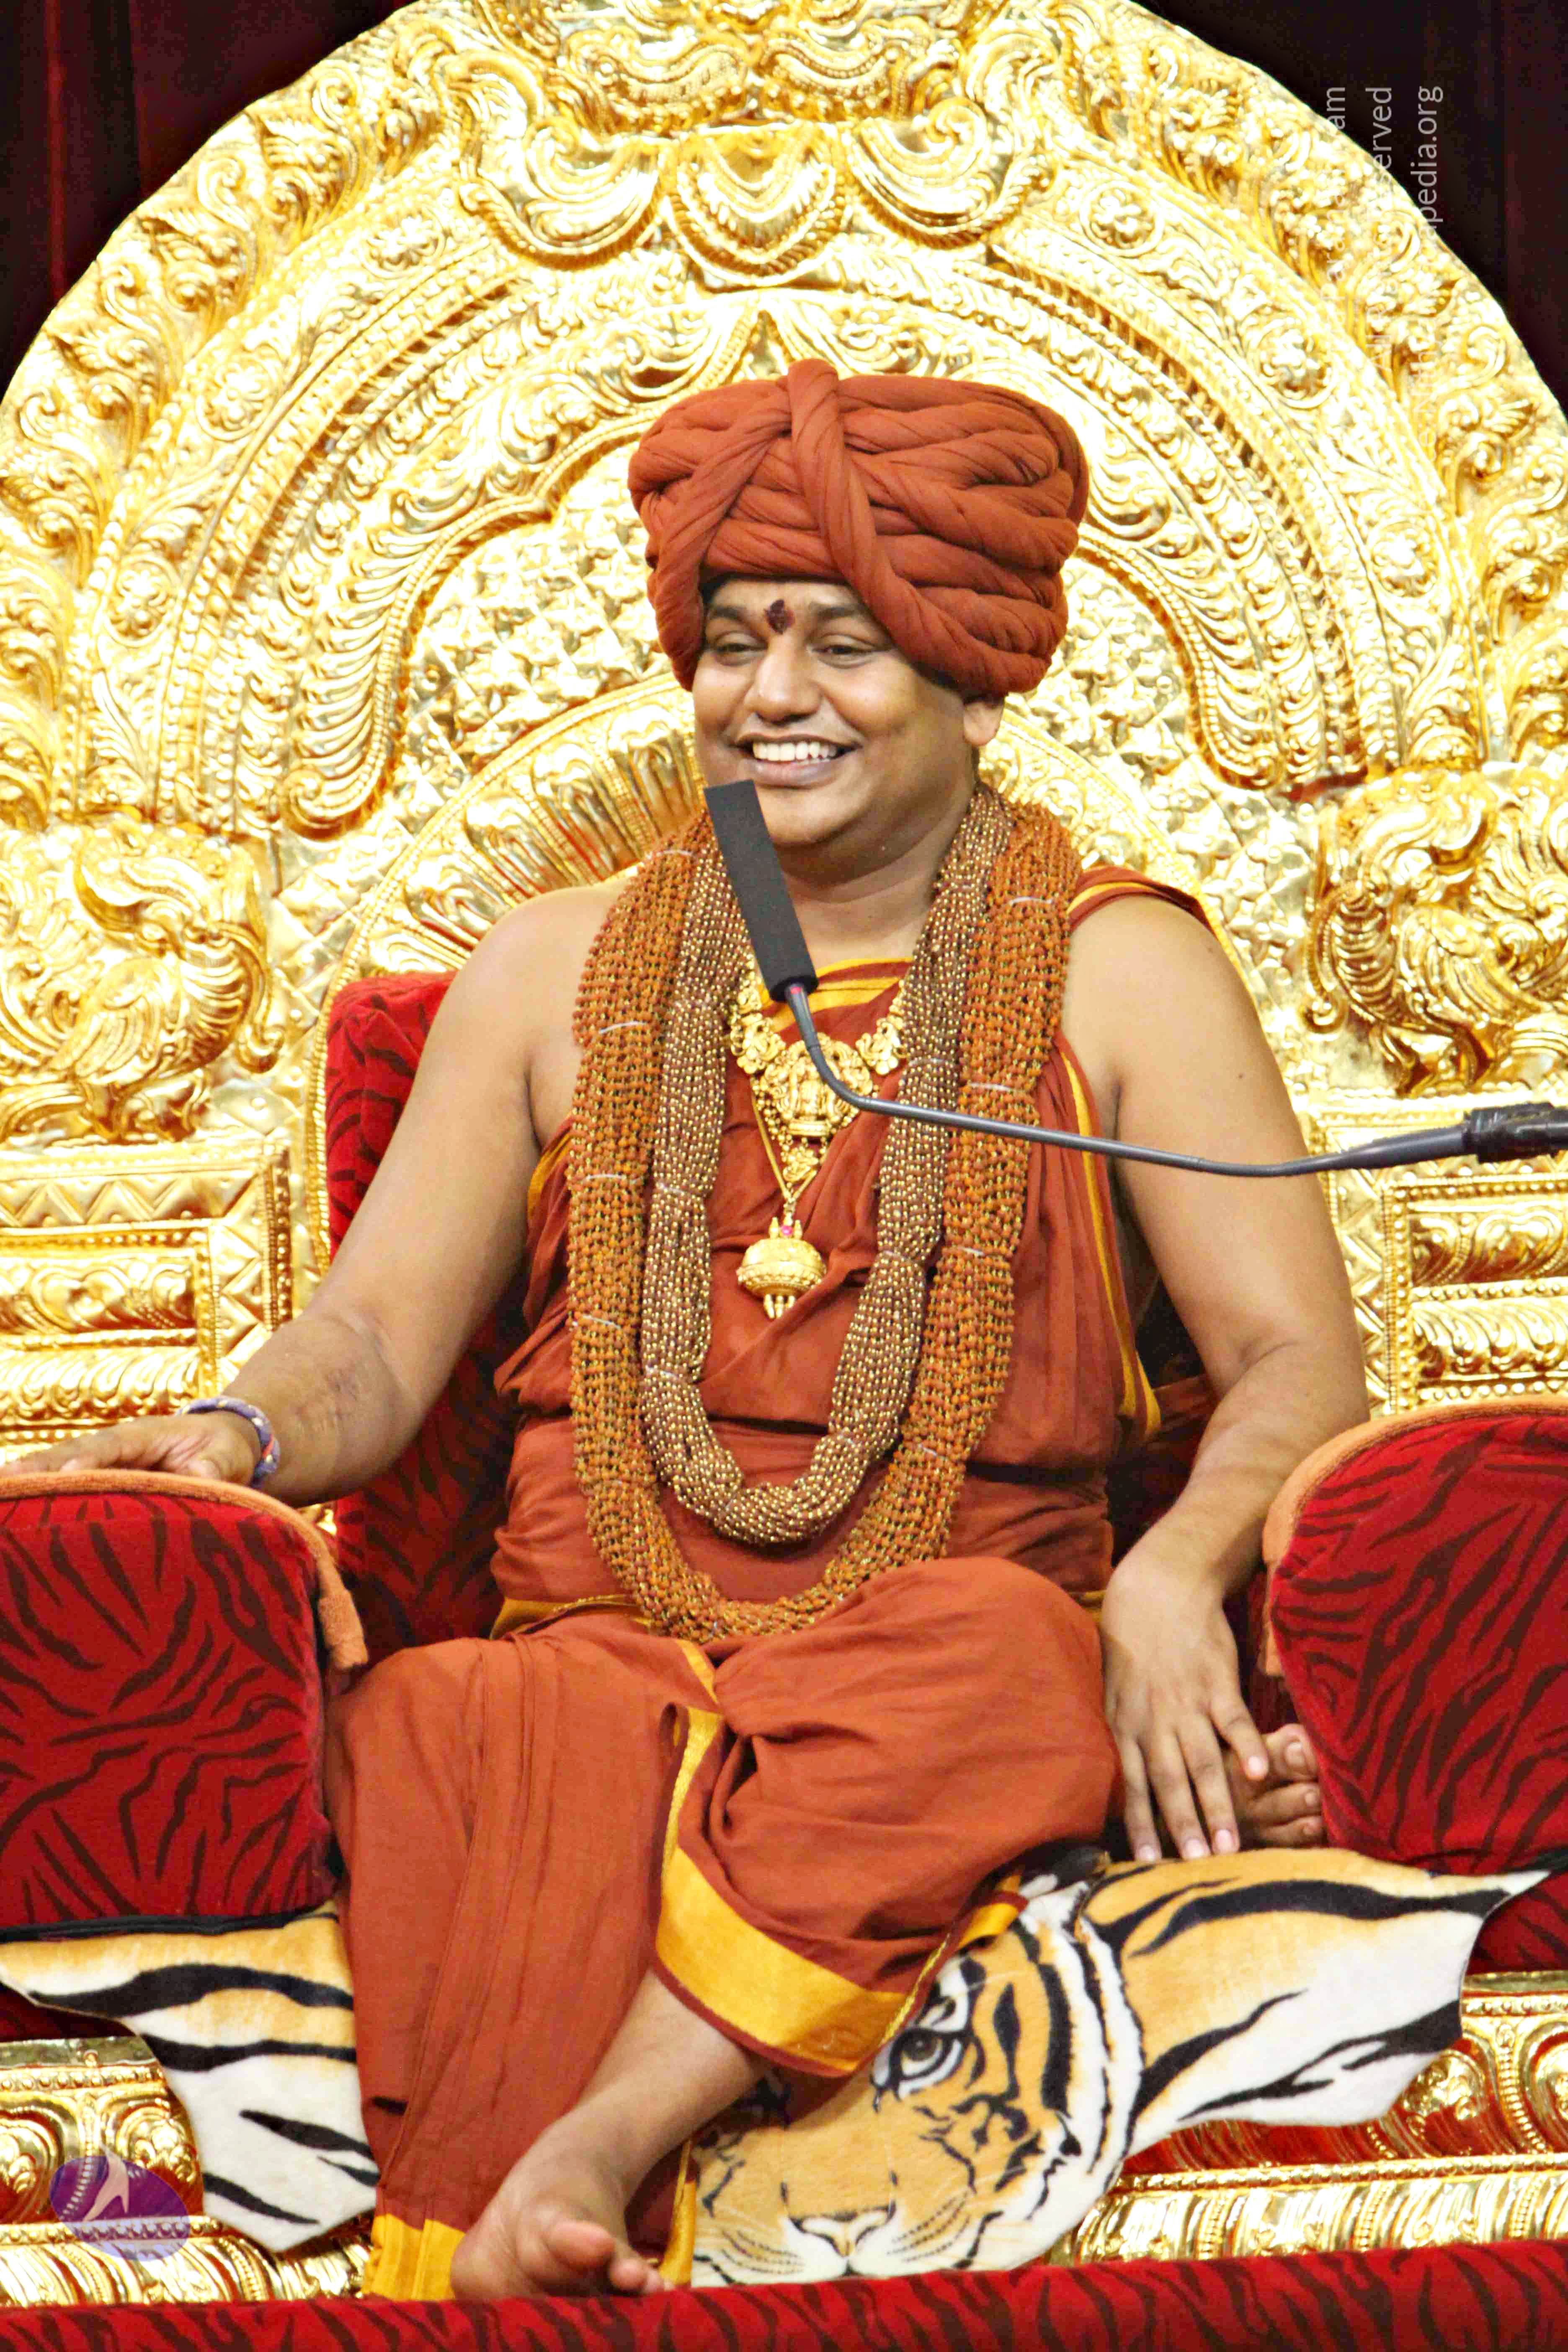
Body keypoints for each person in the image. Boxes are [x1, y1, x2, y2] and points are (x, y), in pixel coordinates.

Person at [14, 361, 1365, 2300]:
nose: (771, 695)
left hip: (942, 1671)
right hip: (593, 1666)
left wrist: (1170, 1583)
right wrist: (239, 1432)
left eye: (843, 643)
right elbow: (373, 1343)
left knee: (1013, 1662)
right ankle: (551, 2172)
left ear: (975, 676)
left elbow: (1302, 1358)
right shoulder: (551, 968)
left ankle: (590, 2148)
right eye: (735, 643)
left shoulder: (1118, 968)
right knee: (444, 1722)